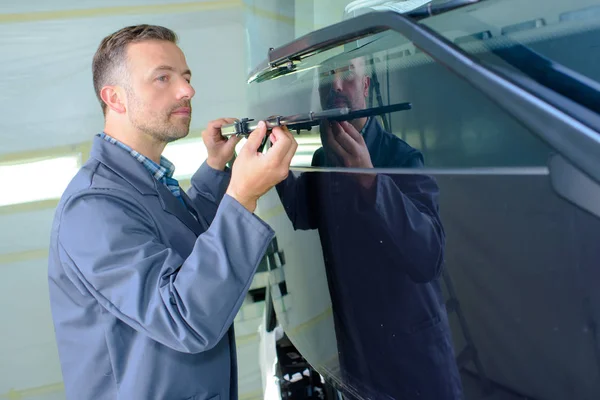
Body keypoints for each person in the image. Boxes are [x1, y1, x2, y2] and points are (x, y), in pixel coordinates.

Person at [47, 24, 297, 400]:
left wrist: (216, 172)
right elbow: (183, 316)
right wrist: (242, 194)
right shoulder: (93, 206)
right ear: (115, 98)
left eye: (186, 76)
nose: (187, 90)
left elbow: (184, 248)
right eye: (162, 78)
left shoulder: (142, 179)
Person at [275, 54, 464, 399]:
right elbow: (304, 214)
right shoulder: (322, 160)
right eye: (326, 79)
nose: (335, 85)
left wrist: (370, 180)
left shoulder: (402, 158)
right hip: (357, 353)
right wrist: (277, 164)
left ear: (365, 85)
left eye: (347, 74)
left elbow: (429, 258)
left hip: (413, 356)